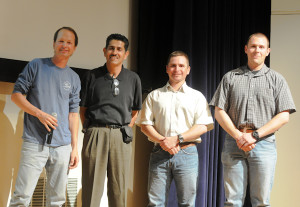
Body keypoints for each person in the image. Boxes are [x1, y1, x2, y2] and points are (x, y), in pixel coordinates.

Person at [209, 33, 296, 207]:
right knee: (232, 202)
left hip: (263, 144)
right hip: (234, 143)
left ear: (268, 51)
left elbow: (284, 115)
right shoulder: (230, 77)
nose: (257, 50)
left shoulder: (277, 80)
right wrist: (238, 136)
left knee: (261, 202)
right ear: (246, 49)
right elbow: (219, 111)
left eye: (261, 47)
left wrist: (254, 135)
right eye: (253, 46)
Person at [9, 26, 81, 206]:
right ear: (54, 43)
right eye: (61, 41)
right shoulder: (36, 65)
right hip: (35, 141)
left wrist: (74, 147)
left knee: (57, 200)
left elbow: (73, 114)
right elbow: (16, 95)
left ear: (74, 48)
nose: (64, 45)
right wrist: (39, 114)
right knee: (21, 197)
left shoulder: (74, 78)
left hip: (62, 146)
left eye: (69, 42)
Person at [136, 51, 214, 207]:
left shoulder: (197, 96)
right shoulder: (154, 96)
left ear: (188, 69)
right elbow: (144, 124)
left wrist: (177, 139)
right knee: (155, 203)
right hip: (159, 151)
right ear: (167, 69)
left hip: (187, 153)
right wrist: (163, 141)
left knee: (187, 203)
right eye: (173, 65)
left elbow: (203, 126)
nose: (177, 69)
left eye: (181, 65)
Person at [80, 33, 142, 207]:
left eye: (119, 49)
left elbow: (136, 110)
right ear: (104, 51)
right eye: (111, 48)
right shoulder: (91, 76)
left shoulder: (133, 79)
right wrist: (93, 130)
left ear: (126, 54)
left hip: (121, 136)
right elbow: (83, 109)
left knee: (118, 189)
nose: (115, 52)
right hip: (95, 133)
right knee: (91, 188)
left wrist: (125, 127)